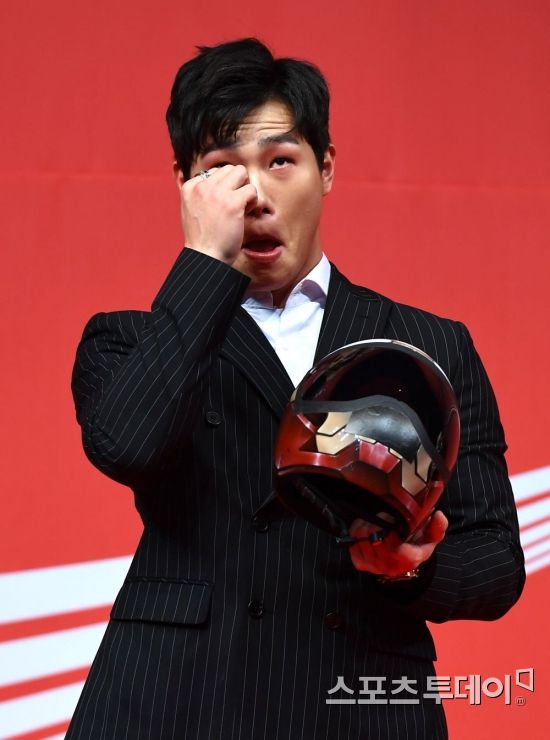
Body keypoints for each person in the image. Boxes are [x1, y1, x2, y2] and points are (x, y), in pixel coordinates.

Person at [67, 38, 525, 739]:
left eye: (280, 161)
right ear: (186, 185)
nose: (253, 194)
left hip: (355, 700)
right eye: (222, 169)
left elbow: (495, 559)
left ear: (327, 167)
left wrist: (412, 569)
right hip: (176, 698)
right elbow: (129, 445)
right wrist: (204, 261)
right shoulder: (127, 340)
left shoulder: (429, 344)